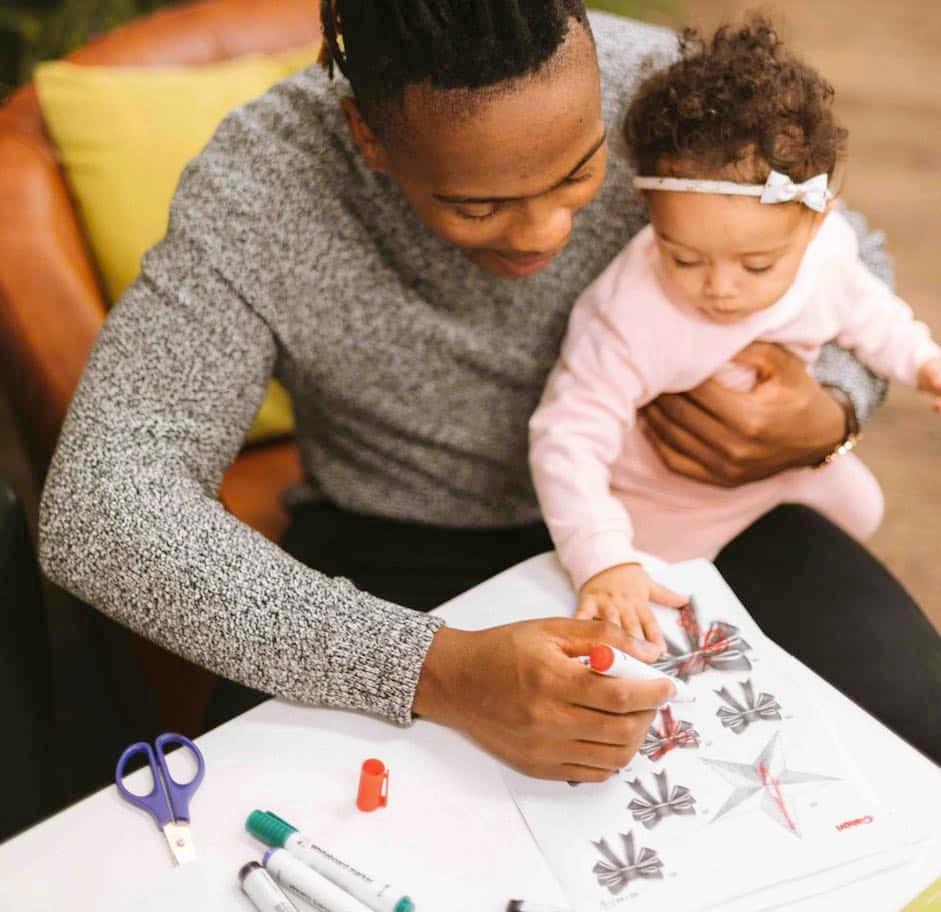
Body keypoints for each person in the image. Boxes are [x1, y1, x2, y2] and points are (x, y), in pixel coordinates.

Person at [38, 0, 941, 779]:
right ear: (368, 137)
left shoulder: (667, 93)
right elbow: (100, 507)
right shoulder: (261, 186)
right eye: (478, 205)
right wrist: (428, 669)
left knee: (913, 733)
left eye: (582, 170)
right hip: (402, 547)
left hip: (698, 506)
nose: (547, 229)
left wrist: (827, 409)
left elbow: (838, 251)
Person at [530, 19, 941, 650]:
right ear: (651, 217)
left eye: (757, 266)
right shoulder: (626, 311)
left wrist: (921, 360)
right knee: (665, 621)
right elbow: (567, 437)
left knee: (865, 509)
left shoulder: (826, 251)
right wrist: (605, 558)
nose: (720, 288)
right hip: (663, 502)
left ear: (818, 219)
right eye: (684, 258)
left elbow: (869, 313)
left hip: (781, 462)